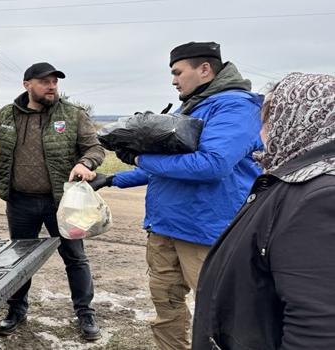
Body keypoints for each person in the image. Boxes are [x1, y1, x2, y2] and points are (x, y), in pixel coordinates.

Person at [109, 42, 264, 350]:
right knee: (166, 308)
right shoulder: (189, 106)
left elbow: (213, 165)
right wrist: (113, 178)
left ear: (204, 69)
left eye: (178, 72)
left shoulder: (235, 106)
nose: (173, 80)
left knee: (221, 316)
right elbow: (169, 167)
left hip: (206, 233)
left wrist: (141, 159)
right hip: (164, 227)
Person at [192, 73, 335, 350]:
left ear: (300, 120)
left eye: (268, 121)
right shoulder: (296, 181)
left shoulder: (320, 197)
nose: (261, 134)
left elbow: (319, 329)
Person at [0, 62, 105, 341]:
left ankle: (85, 313)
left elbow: (95, 147)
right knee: (19, 260)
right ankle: (16, 310)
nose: (51, 86)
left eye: (54, 82)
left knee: (75, 257)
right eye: (45, 82)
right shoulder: (8, 115)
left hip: (63, 202)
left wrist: (86, 162)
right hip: (20, 202)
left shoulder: (72, 115)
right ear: (27, 85)